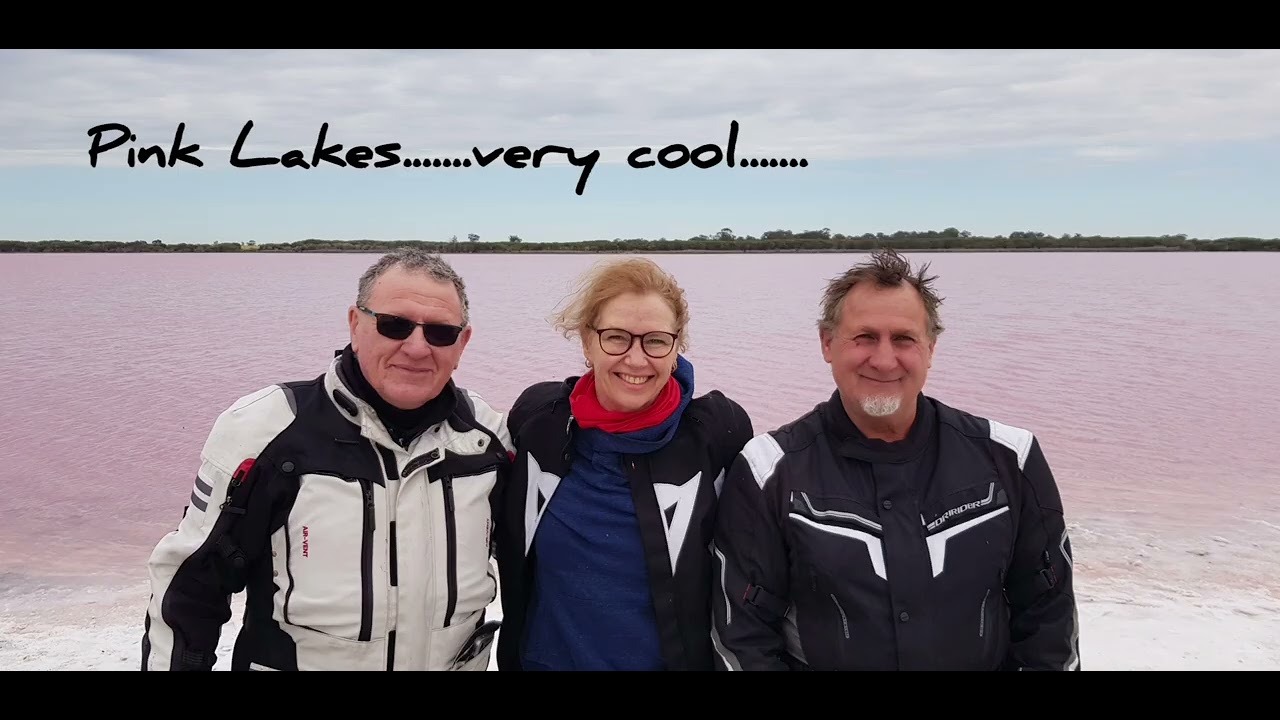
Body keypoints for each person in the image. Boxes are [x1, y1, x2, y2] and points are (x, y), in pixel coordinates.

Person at [141, 248, 513, 671]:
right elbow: (190, 588)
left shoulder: (486, 436)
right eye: (394, 326)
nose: (416, 347)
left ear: (462, 343)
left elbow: (534, 567)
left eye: (441, 333)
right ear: (356, 324)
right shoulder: (266, 427)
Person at [710, 247, 1080, 671]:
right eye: (864, 337)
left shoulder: (1010, 458)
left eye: (903, 339)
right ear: (827, 343)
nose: (884, 360)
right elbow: (743, 637)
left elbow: (1049, 618)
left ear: (931, 348)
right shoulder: (767, 471)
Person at [491, 257, 754, 671]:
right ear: (586, 341)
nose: (636, 359)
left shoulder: (717, 435)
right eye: (616, 337)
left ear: (676, 345)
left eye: (655, 340)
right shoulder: (539, 421)